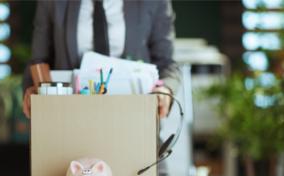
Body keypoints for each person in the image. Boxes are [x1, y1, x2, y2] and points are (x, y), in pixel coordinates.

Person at [23, 0, 181, 119]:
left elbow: (166, 63)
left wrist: (165, 90)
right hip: (69, 120)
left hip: (134, 120)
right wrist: (36, 91)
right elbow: (39, 59)